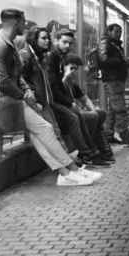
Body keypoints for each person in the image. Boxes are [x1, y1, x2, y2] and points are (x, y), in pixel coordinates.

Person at [0, 11, 99, 186]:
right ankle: (69, 170)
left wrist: (26, 90)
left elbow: (17, 75)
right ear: (16, 22)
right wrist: (26, 96)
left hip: (16, 98)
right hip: (7, 100)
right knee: (45, 129)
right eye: (23, 21)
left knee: (40, 135)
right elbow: (2, 80)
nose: (25, 25)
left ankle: (66, 172)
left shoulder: (9, 43)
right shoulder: (0, 45)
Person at [47, 28, 110, 166]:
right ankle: (91, 153)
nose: (67, 46)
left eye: (70, 43)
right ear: (56, 40)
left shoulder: (59, 58)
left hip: (60, 102)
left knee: (90, 115)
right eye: (64, 42)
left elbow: (81, 96)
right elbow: (53, 86)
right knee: (79, 117)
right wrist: (69, 102)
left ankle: (93, 152)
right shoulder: (53, 58)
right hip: (53, 103)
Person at [62, 54, 115, 164]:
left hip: (75, 113)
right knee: (93, 117)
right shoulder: (60, 80)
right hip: (66, 115)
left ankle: (103, 151)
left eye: (75, 69)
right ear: (64, 66)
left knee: (100, 113)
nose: (73, 71)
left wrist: (93, 109)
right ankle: (96, 152)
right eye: (71, 68)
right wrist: (65, 77)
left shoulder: (72, 82)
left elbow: (84, 99)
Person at [99, 23, 129, 146]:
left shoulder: (115, 45)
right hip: (112, 80)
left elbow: (119, 62)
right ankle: (125, 136)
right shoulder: (106, 43)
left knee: (112, 110)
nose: (119, 34)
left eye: (120, 31)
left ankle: (108, 135)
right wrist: (122, 61)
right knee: (120, 109)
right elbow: (103, 60)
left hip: (117, 80)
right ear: (109, 31)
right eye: (116, 31)